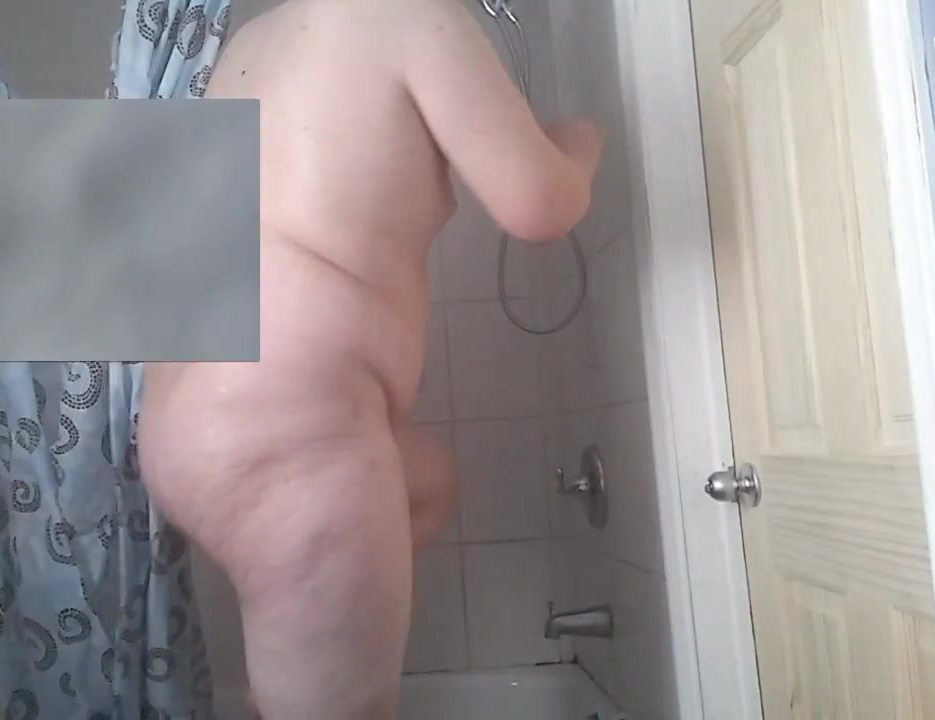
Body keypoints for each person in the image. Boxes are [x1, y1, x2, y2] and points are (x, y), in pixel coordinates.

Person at [137, 0, 605, 717]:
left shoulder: (248, 47)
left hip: (192, 428)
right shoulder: (409, 13)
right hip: (291, 440)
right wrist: (583, 141)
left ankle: (305, 672)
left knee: (426, 483)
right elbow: (537, 203)